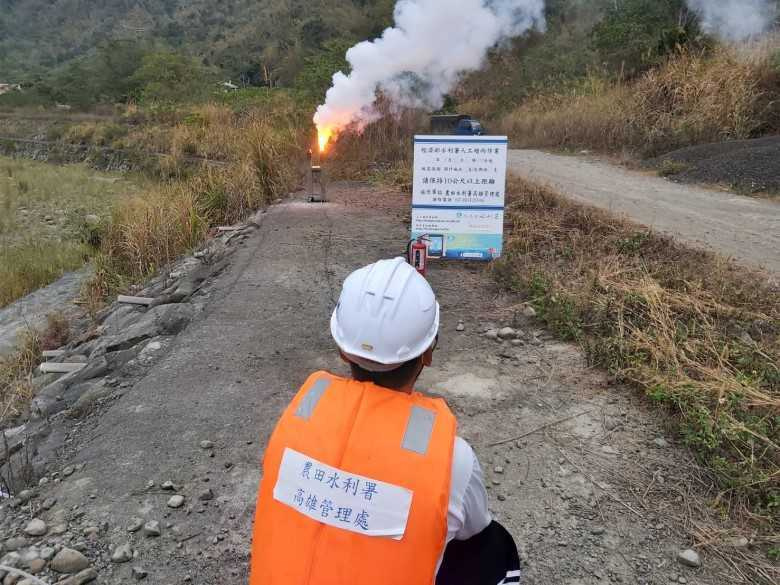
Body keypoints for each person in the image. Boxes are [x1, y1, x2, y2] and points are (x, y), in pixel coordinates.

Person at [250, 257, 520, 585]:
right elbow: (475, 528)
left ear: (342, 350)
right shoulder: (453, 461)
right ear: (429, 353)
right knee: (493, 547)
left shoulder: (296, 421)